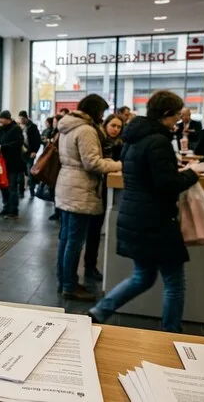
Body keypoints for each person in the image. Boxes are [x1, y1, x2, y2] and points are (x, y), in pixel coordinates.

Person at [88, 91, 199, 333]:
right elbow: (167, 184)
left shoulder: (134, 138)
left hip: (135, 215)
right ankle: (171, 333)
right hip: (156, 220)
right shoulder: (158, 141)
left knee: (143, 276)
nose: (178, 122)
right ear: (166, 114)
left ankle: (100, 311)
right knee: (174, 282)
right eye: (177, 116)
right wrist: (192, 174)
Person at [55, 95, 122, 301]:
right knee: (74, 241)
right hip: (80, 189)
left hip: (67, 184)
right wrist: (119, 165)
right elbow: (92, 163)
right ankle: (70, 285)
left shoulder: (68, 126)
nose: (103, 116)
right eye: (102, 111)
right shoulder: (86, 130)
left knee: (66, 239)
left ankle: (64, 280)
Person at [82, 113, 125, 282]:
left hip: (109, 189)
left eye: (119, 127)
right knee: (90, 230)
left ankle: (90, 265)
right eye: (113, 125)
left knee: (96, 230)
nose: (115, 129)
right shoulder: (97, 141)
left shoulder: (121, 145)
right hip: (93, 188)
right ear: (106, 125)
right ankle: (88, 266)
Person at [0, 110, 23, 219]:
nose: (0, 120)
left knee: (12, 187)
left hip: (13, 163)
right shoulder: (2, 128)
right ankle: (6, 207)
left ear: (8, 119)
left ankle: (13, 210)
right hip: (3, 163)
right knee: (3, 186)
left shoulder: (16, 129)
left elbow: (18, 143)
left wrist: (3, 146)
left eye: (2, 118)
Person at [18, 110, 41, 198]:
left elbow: (37, 140)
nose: (21, 120)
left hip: (29, 153)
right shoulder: (17, 127)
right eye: (20, 119)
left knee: (29, 172)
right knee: (20, 173)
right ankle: (21, 191)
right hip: (20, 153)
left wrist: (34, 151)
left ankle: (31, 190)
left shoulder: (32, 127)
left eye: (23, 118)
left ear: (26, 118)